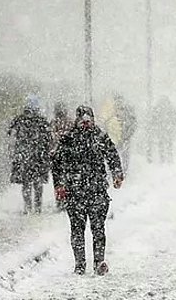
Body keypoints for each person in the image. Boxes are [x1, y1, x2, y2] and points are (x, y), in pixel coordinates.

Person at [52, 105, 124, 275]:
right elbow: (57, 164)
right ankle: (80, 264)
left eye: (88, 119)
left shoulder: (100, 137)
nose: (85, 123)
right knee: (77, 230)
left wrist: (117, 174)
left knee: (98, 229)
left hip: (97, 190)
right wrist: (60, 185)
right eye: (82, 119)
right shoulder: (68, 139)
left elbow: (112, 155)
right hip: (75, 192)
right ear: (77, 120)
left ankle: (99, 262)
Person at [8, 95, 52, 214]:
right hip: (38, 157)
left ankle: (28, 207)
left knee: (26, 183)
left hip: (24, 156)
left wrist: (15, 152)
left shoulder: (19, 120)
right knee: (37, 183)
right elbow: (48, 139)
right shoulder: (41, 121)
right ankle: (37, 207)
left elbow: (10, 134)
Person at [50, 101, 74, 211]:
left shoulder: (53, 123)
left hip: (56, 155)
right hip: (68, 155)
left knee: (57, 179)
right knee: (68, 178)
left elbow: (49, 139)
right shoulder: (70, 123)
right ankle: (67, 200)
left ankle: (60, 200)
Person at [147, 96, 176, 164]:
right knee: (168, 144)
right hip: (167, 128)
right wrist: (174, 122)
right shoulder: (170, 107)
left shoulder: (158, 107)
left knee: (162, 144)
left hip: (161, 128)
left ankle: (163, 159)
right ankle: (169, 159)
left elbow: (153, 118)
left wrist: (153, 124)